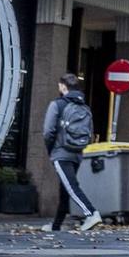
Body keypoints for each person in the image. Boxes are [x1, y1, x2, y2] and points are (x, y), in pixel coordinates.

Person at [42, 72, 102, 233]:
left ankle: (91, 213)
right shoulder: (84, 107)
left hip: (61, 152)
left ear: (63, 86)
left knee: (71, 186)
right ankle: (56, 225)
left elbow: (48, 131)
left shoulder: (57, 104)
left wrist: (51, 150)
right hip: (77, 153)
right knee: (66, 188)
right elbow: (90, 131)